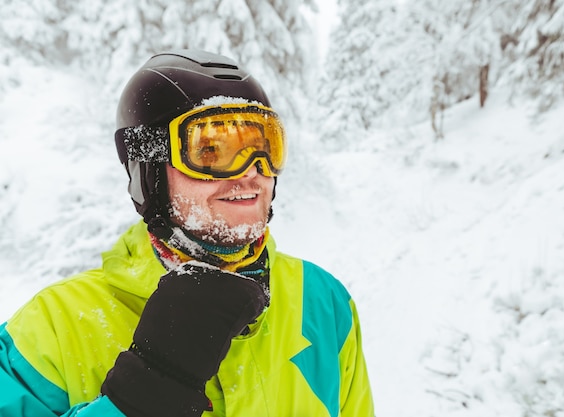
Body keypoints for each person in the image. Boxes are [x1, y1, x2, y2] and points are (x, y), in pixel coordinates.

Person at [0, 49, 374, 416]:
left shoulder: (324, 304)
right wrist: (142, 396)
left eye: (263, 147)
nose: (250, 172)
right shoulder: (53, 326)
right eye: (210, 151)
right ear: (150, 171)